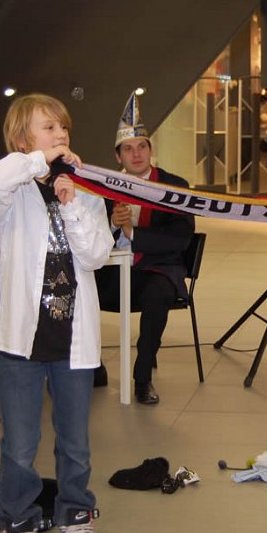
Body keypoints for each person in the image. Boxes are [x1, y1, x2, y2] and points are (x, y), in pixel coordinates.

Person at [0, 93, 113, 533]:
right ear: (23, 140)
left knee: (75, 443)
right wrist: (38, 163)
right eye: (48, 128)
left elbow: (96, 255)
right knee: (19, 444)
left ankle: (77, 517)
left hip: (73, 340)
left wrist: (72, 204)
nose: (60, 135)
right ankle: (16, 523)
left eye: (63, 128)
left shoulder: (85, 190)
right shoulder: (11, 194)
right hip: (22, 342)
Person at [94, 93, 195, 405]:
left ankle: (142, 379)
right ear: (118, 157)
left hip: (157, 268)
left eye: (142, 147)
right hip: (112, 270)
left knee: (157, 295)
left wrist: (131, 232)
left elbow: (180, 239)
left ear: (151, 150)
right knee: (75, 287)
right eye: (128, 149)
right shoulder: (104, 188)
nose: (136, 154)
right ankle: (92, 366)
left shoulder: (174, 186)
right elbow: (87, 235)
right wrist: (112, 225)